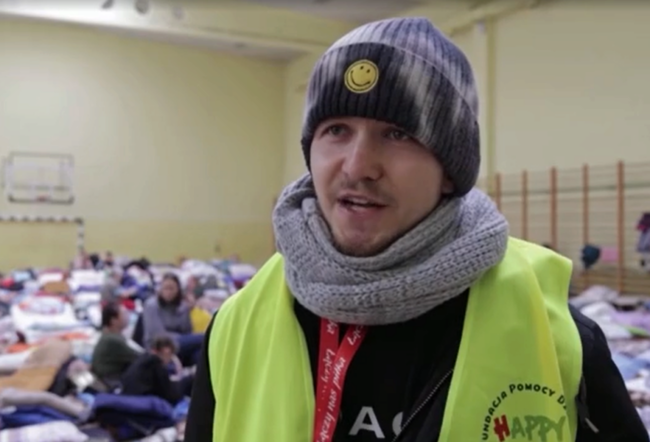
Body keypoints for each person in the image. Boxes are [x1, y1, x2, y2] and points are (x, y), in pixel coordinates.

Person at [185, 17, 648, 442]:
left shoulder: (557, 335)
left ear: (450, 170)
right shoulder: (236, 326)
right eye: (337, 130)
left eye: (397, 134)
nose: (358, 165)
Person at [141, 273, 203, 366]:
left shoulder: (182, 307)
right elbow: (158, 334)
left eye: (172, 288)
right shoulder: (151, 305)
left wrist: (185, 310)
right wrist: (180, 338)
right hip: (160, 345)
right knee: (204, 338)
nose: (168, 292)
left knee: (199, 354)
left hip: (181, 345)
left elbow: (187, 330)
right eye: (166, 288)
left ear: (178, 290)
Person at [120, 335, 193, 405]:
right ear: (166, 350)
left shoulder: (142, 360)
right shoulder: (156, 363)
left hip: (131, 397)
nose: (170, 359)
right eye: (171, 355)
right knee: (189, 380)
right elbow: (170, 395)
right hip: (145, 400)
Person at [91, 302, 141, 383]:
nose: (128, 316)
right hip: (112, 381)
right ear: (113, 320)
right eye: (124, 314)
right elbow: (141, 359)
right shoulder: (112, 340)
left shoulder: (110, 336)